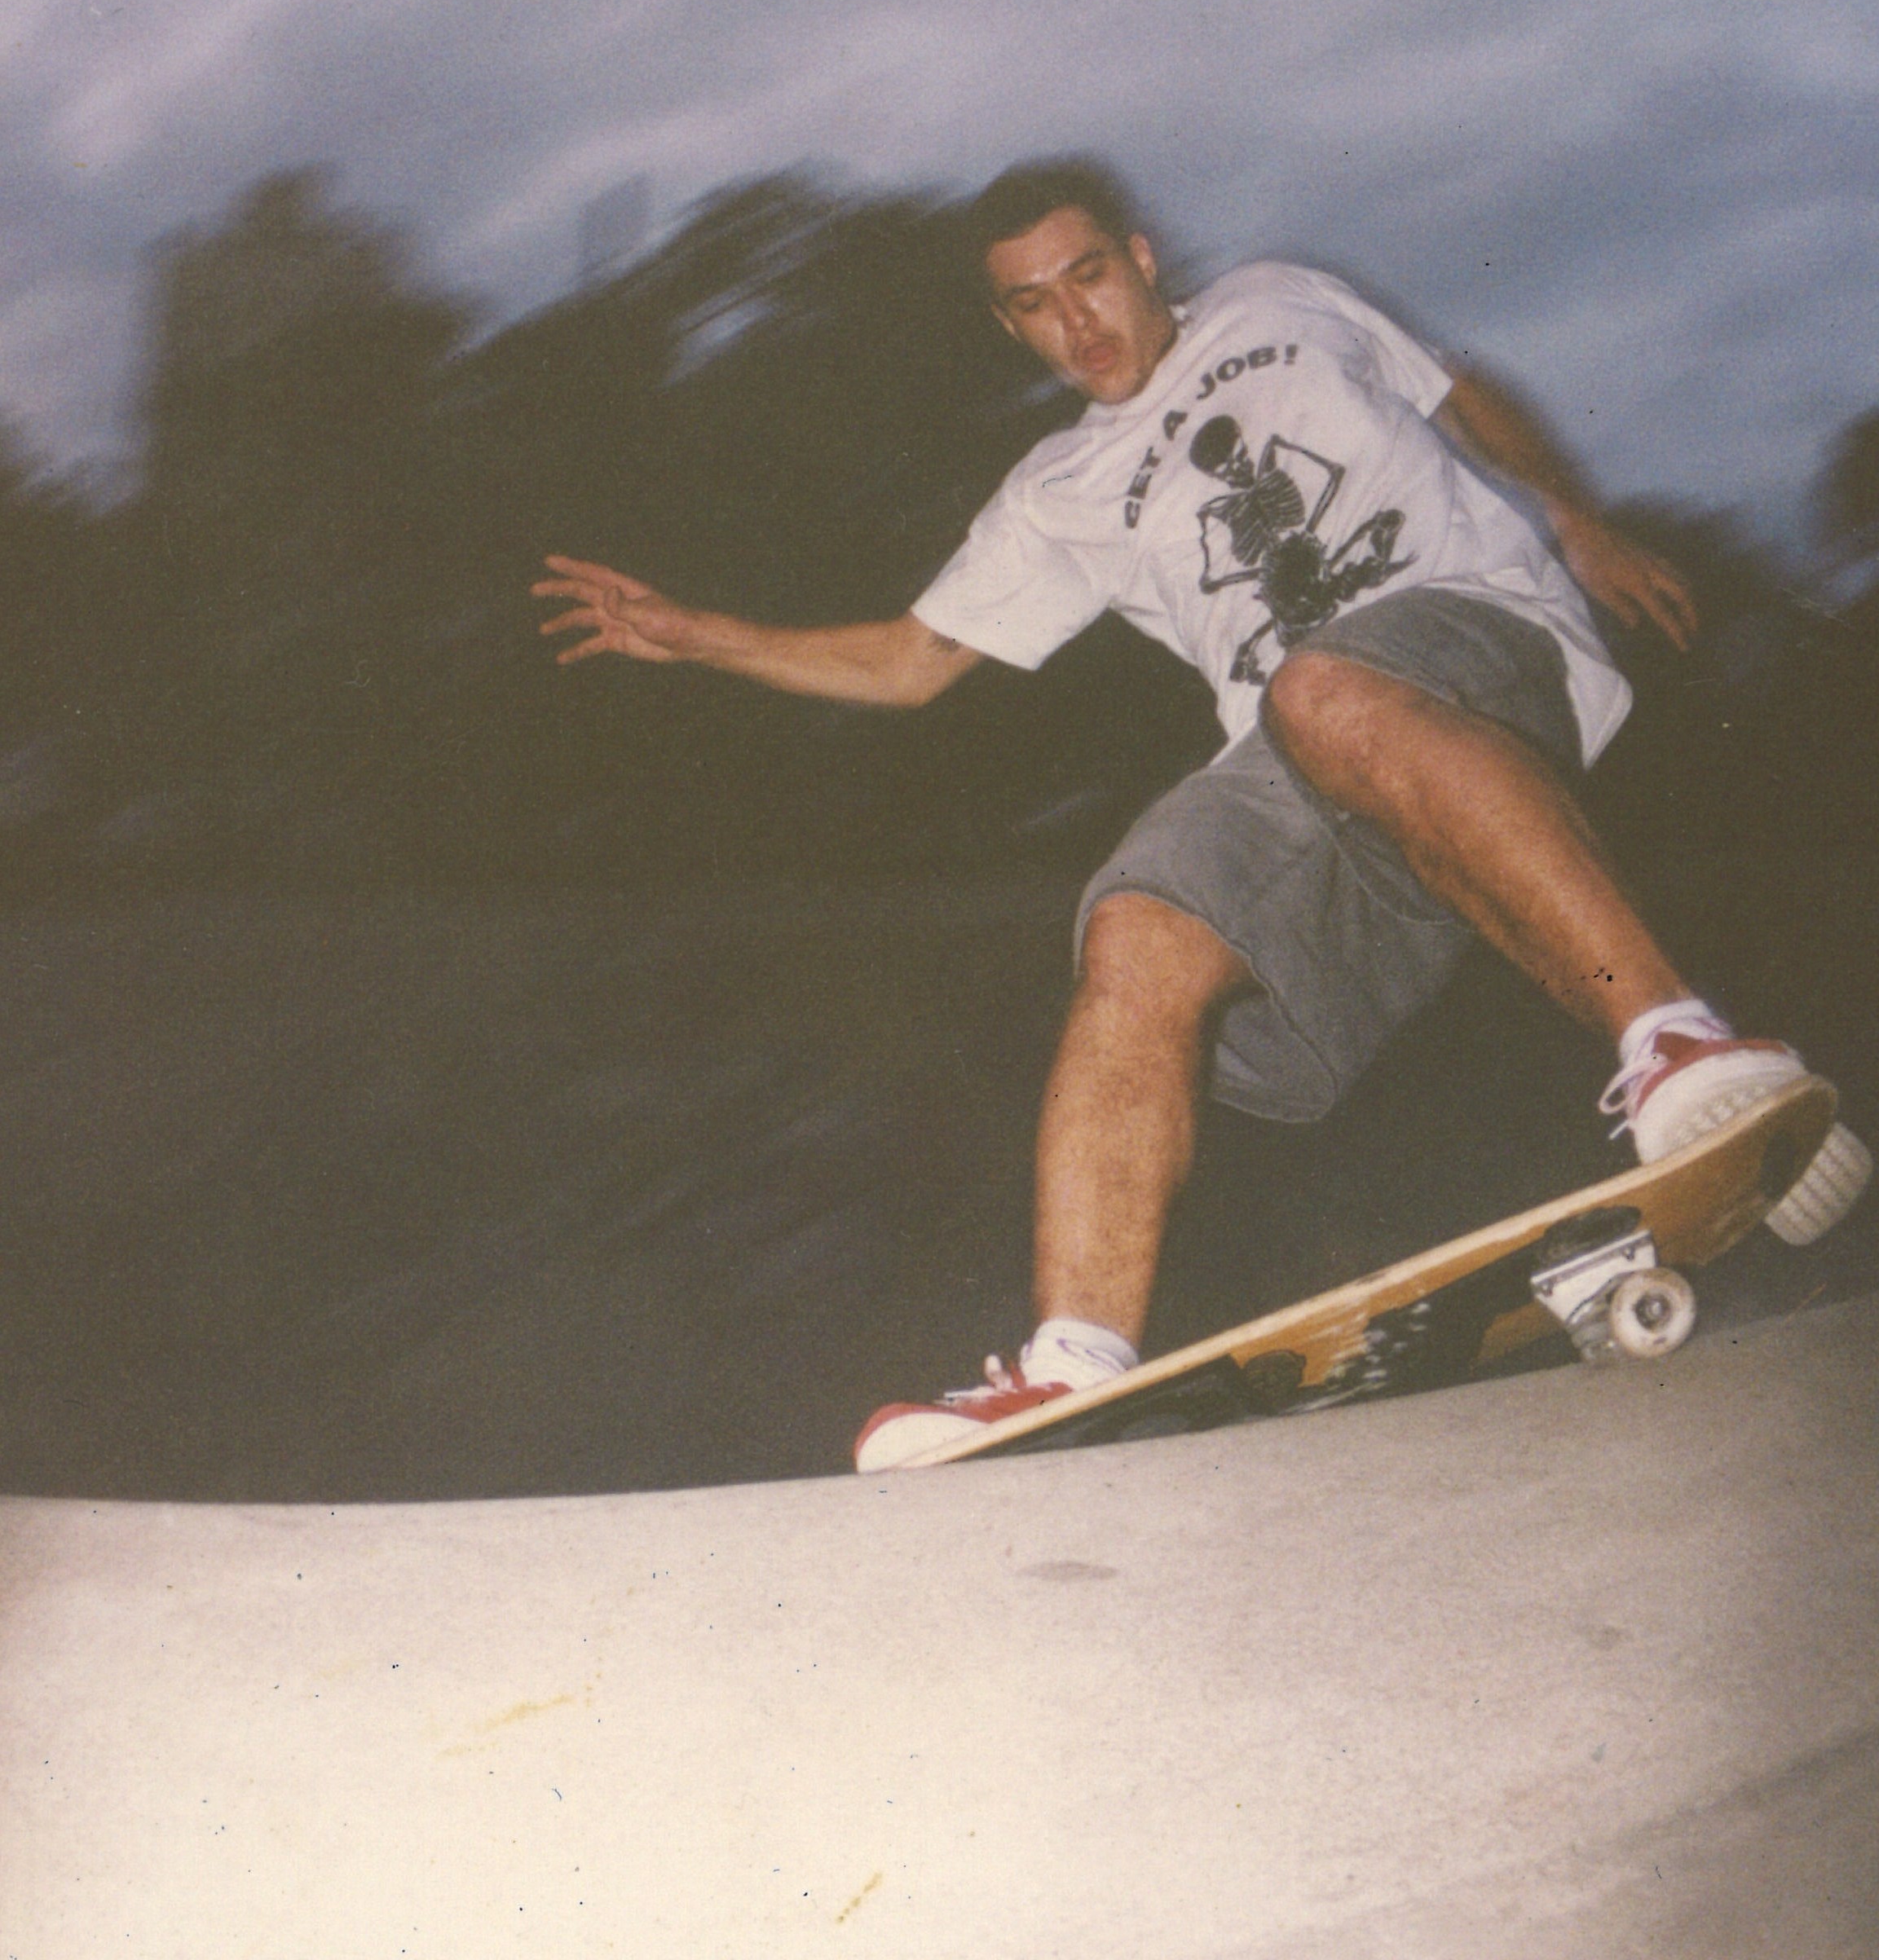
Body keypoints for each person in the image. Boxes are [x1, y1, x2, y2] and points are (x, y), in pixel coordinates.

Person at [533, 160, 1867, 1468]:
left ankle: (1673, 1045)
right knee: (1136, 926)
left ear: (1141, 258)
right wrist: (697, 636)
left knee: (1324, 685)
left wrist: (1573, 514)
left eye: (1090, 278)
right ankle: (1071, 1364)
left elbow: (1458, 392)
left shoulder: (1279, 303)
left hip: (1475, 645)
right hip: (1301, 744)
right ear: (1006, 324)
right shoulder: (1054, 488)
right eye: (1035, 307)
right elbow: (909, 661)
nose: (1078, 326)